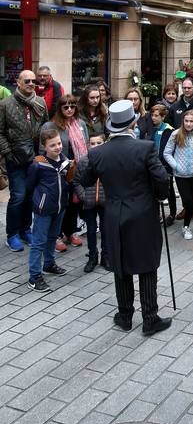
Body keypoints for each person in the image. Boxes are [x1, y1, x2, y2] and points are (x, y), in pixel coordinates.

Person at [81, 99, 171, 336]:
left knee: (120, 265)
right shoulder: (145, 147)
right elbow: (162, 180)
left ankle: (125, 316)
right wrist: (159, 196)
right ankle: (150, 318)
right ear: (133, 122)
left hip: (113, 213)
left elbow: (85, 180)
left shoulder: (98, 152)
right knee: (147, 264)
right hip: (143, 213)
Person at [0, 70, 48, 251]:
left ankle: (25, 230)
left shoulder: (40, 103)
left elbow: (46, 129)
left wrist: (43, 153)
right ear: (18, 83)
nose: (31, 83)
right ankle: (12, 235)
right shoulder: (5, 105)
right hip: (15, 159)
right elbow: (0, 132)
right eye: (26, 80)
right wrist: (8, 152)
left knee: (30, 196)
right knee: (18, 196)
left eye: (33, 81)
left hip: (35, 158)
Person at [26, 125, 74, 291]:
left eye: (59, 143)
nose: (58, 147)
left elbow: (68, 181)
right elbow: (30, 185)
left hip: (59, 207)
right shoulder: (38, 164)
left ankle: (49, 264)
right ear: (44, 147)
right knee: (38, 242)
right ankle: (34, 276)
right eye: (52, 145)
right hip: (43, 209)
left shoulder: (65, 161)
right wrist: (40, 201)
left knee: (52, 238)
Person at [163, 110, 193, 239]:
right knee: (187, 200)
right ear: (182, 121)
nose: (189, 124)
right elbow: (167, 152)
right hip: (180, 174)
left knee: (192, 200)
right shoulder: (176, 134)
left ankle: (186, 227)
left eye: (191, 121)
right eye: (186, 121)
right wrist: (176, 166)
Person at [51, 94, 89, 251]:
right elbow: (45, 149)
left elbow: (86, 144)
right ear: (60, 108)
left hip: (78, 170)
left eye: (72, 106)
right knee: (61, 204)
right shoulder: (52, 125)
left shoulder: (80, 123)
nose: (69, 109)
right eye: (65, 107)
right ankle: (56, 235)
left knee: (75, 202)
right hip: (59, 170)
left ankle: (71, 232)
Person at [74, 133, 110, 273]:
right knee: (90, 229)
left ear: (105, 143)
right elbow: (77, 182)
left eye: (99, 143)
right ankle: (92, 256)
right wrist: (84, 197)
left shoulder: (108, 161)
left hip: (105, 201)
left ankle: (105, 256)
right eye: (92, 143)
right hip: (88, 202)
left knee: (105, 228)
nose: (95, 146)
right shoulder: (84, 161)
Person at [149, 104, 177, 224]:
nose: (153, 118)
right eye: (152, 115)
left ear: (163, 116)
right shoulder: (152, 128)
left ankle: (172, 214)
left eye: (156, 116)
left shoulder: (168, 130)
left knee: (169, 189)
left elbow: (168, 150)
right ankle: (156, 214)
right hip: (153, 163)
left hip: (165, 165)